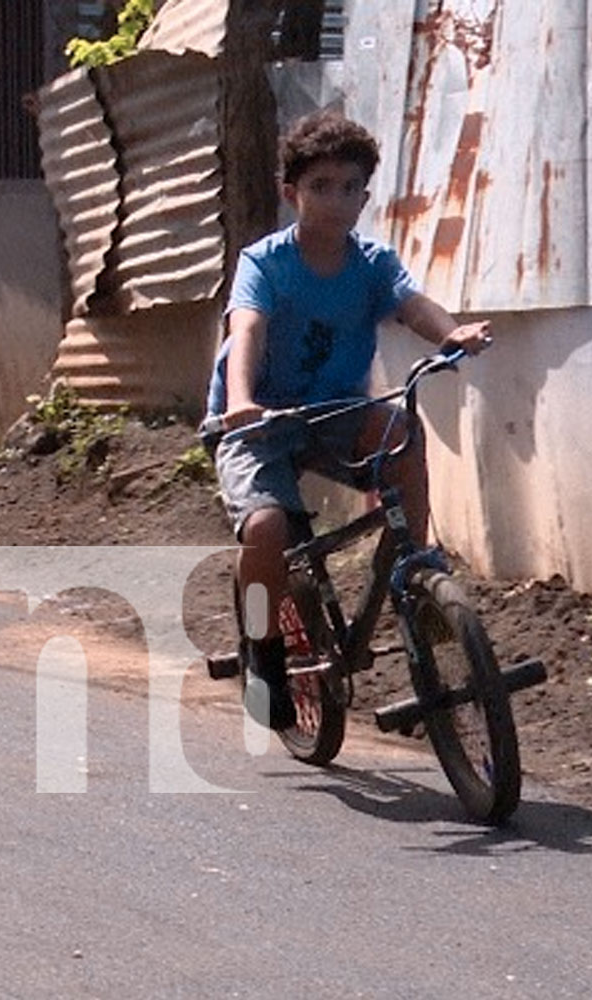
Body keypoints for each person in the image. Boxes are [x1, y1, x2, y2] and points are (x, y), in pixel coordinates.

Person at [202, 109, 493, 730]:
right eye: (320, 187)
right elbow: (247, 327)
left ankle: (418, 587)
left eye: (350, 187)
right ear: (292, 194)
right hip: (256, 420)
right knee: (267, 532)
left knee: (402, 433)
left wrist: (452, 334)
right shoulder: (266, 262)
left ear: (365, 194)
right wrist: (240, 400)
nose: (337, 201)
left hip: (336, 413)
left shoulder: (372, 262)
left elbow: (413, 306)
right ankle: (264, 649)